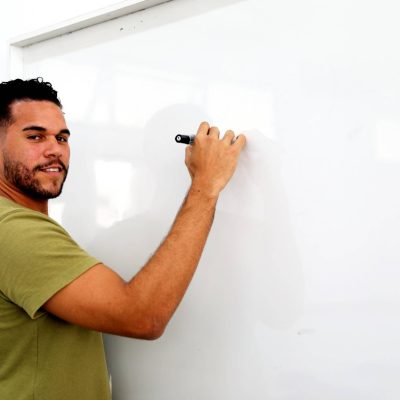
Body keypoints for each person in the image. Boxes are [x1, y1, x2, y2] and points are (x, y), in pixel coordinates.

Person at [0, 77, 246, 399]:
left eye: (62, 137)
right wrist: (207, 184)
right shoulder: (14, 230)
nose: (54, 149)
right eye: (35, 136)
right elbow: (143, 317)